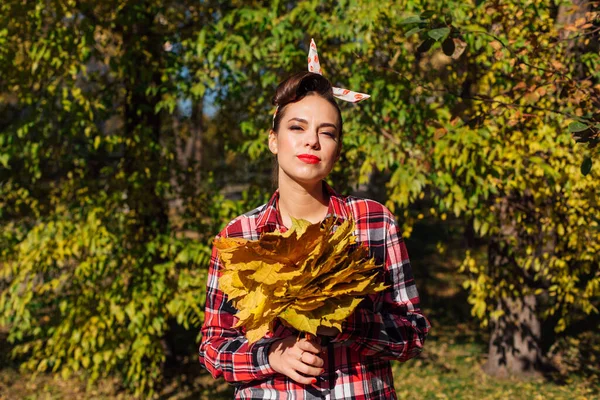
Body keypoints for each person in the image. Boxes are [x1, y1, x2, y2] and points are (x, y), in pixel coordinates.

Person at [199, 62, 430, 399]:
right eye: (297, 127)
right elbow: (212, 347)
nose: (312, 141)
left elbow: (412, 335)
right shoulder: (239, 236)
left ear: (337, 148)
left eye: (327, 132)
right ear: (273, 140)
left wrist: (345, 323)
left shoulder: (373, 222)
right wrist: (271, 356)